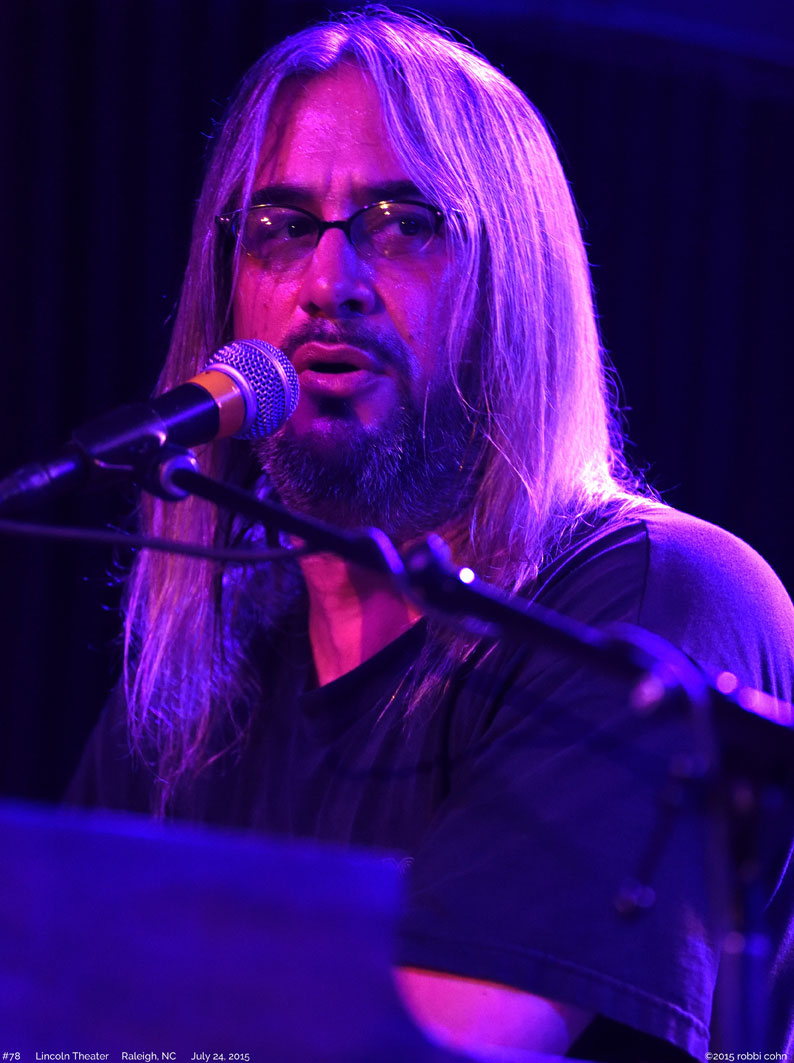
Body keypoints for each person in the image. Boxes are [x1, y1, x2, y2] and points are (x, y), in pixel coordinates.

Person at [68, 8, 794, 1061]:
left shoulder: (654, 596)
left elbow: (446, 1046)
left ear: (514, 285)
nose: (327, 285)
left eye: (402, 222)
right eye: (280, 227)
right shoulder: (204, 677)